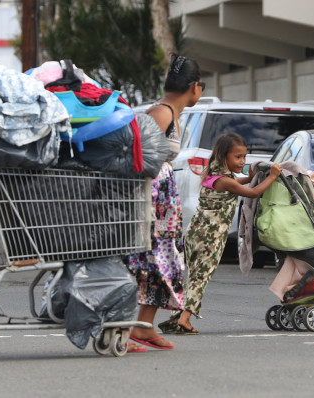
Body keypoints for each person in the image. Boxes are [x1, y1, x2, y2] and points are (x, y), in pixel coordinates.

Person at [158, 133, 283, 334]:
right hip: (211, 236)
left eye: (244, 156)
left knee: (192, 277)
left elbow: (234, 185)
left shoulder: (213, 175)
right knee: (201, 277)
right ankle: (184, 318)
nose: (242, 161)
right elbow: (252, 193)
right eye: (238, 157)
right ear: (224, 156)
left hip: (195, 233)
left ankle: (177, 318)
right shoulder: (226, 180)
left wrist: (249, 177)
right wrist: (273, 176)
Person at [126, 54, 204, 353]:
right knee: (145, 264)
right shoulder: (161, 114)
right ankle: (122, 330)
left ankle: (142, 328)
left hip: (162, 202)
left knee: (163, 266)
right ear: (194, 87)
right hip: (151, 200)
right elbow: (138, 158)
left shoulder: (170, 112)